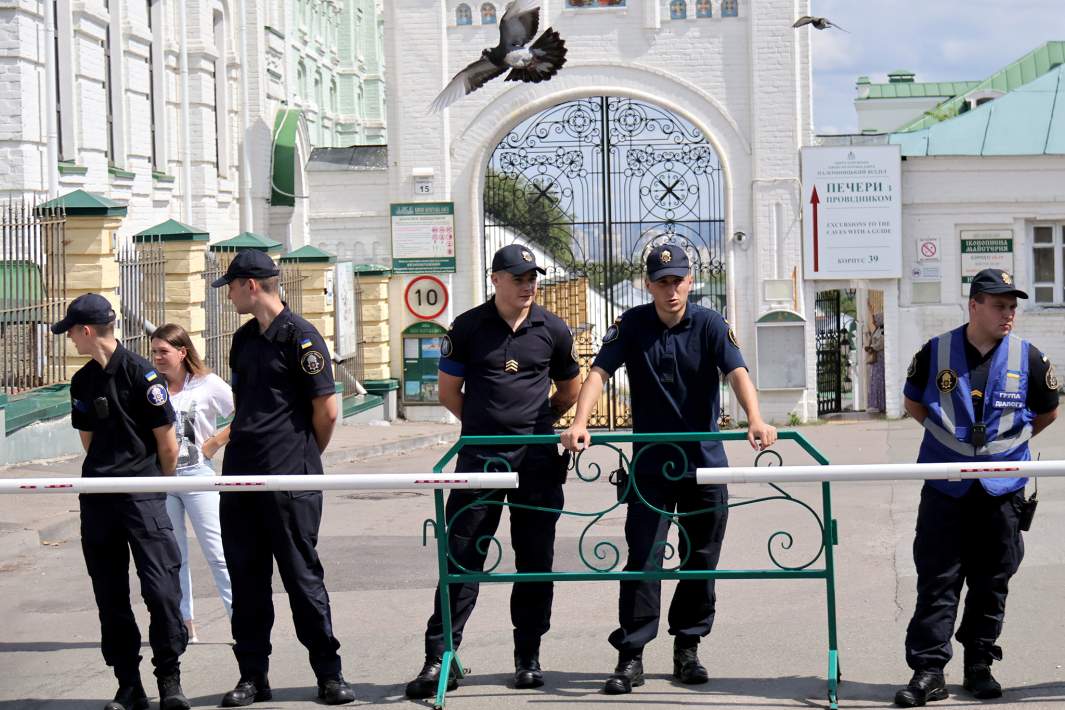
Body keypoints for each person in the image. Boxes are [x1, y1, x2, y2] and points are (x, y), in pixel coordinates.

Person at [561, 243, 777, 695]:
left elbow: (737, 371)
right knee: (644, 559)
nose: (671, 289)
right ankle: (631, 655)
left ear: (690, 281)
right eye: (662, 281)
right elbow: (599, 371)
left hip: (704, 462)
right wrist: (579, 422)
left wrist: (755, 418)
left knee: (701, 557)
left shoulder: (710, 324)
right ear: (648, 285)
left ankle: (688, 647)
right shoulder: (633, 324)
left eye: (678, 279)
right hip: (651, 465)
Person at [404, 244, 580, 699]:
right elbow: (448, 393)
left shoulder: (553, 329)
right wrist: (486, 427)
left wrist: (536, 425)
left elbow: (568, 391)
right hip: (480, 460)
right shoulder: (467, 327)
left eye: (532, 277)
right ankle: (438, 656)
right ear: (496, 279)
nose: (528, 285)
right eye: (519, 277)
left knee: (535, 561)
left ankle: (528, 657)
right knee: (462, 558)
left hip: (538, 462)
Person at [894, 268, 1058, 707]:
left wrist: (1000, 453)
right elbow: (913, 402)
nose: (1009, 314)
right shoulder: (935, 352)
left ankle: (979, 665)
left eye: (1012, 307)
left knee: (992, 581)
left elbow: (1047, 412)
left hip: (1002, 492)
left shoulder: (1031, 358)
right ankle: (929, 671)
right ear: (974, 305)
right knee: (937, 580)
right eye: (1000, 305)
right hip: (946, 488)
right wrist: (957, 446)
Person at [209, 250, 354, 706]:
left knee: (301, 578)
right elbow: (245, 405)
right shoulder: (243, 339)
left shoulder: (302, 338)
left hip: (289, 478)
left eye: (231, 285)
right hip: (241, 478)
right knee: (247, 580)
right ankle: (253, 676)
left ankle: (329, 675)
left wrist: (303, 457)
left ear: (252, 285)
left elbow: (326, 411)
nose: (228, 293)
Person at [53, 293, 190, 710]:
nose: (70, 340)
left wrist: (155, 488)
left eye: (72, 332)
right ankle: (128, 684)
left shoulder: (142, 375)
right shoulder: (82, 381)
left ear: (87, 331)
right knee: (110, 596)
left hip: (142, 496)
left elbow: (167, 444)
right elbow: (89, 440)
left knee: (161, 590)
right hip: (99, 499)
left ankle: (170, 680)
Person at [150, 323, 234, 643]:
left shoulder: (207, 383)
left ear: (182, 352)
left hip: (198, 475)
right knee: (174, 556)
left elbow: (244, 412)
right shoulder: (152, 386)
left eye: (163, 351)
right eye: (154, 351)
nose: (157, 357)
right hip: (162, 479)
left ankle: (240, 620)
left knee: (218, 551)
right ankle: (184, 624)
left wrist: (214, 442)